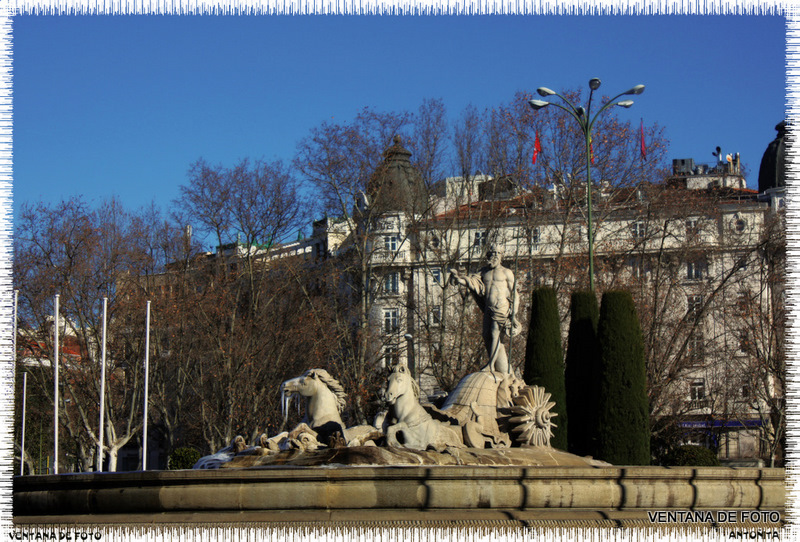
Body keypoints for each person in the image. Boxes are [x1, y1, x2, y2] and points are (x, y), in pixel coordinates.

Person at [449, 243, 520, 374]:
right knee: (486, 335)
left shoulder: (507, 272)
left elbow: (515, 293)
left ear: (501, 256)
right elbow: (472, 282)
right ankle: (505, 369)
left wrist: (514, 313)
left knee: (494, 333)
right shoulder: (484, 272)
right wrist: (459, 279)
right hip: (488, 309)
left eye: (496, 254)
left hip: (501, 307)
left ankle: (491, 365)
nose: (493, 257)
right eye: (491, 254)